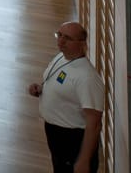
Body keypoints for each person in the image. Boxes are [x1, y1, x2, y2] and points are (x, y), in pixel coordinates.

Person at [27, 21, 104, 173]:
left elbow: (94, 124)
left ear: (82, 43)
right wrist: (42, 89)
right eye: (59, 35)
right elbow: (63, 83)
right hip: (56, 134)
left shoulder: (87, 78)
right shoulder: (61, 58)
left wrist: (83, 160)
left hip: (72, 140)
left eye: (67, 38)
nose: (61, 41)